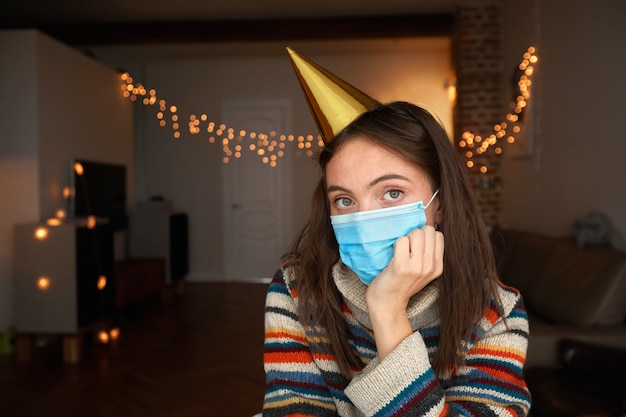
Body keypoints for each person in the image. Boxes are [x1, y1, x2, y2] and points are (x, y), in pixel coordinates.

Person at [262, 48, 531, 417]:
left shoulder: (495, 314)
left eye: (392, 193)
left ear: (441, 203)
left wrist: (387, 310)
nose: (362, 218)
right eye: (343, 200)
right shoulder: (296, 291)